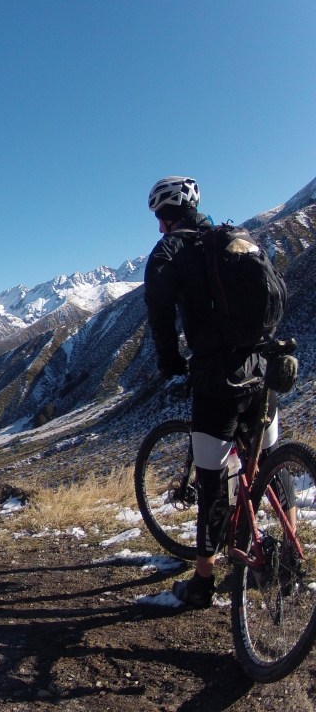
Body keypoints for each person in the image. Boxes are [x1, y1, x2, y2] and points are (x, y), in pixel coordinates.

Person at [143, 176, 280, 608]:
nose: (158, 226)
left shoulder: (169, 251)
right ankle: (284, 559)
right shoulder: (235, 239)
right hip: (263, 368)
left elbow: (160, 313)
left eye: (159, 217)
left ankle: (202, 581)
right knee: (270, 465)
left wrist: (170, 362)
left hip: (218, 380)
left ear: (167, 216)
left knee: (211, 480)